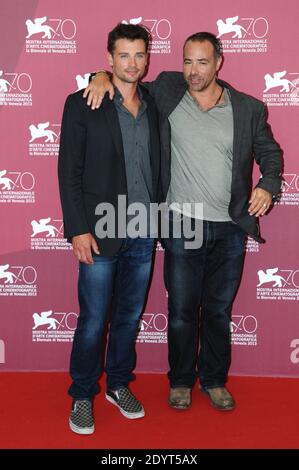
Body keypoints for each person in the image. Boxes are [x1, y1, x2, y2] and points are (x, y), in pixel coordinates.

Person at [84, 32, 282, 412]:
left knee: (219, 310)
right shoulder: (168, 90)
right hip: (181, 223)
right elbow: (125, 74)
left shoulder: (248, 108)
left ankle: (213, 379)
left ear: (219, 62)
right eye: (187, 61)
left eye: (202, 62)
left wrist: (268, 186)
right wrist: (99, 76)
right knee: (181, 311)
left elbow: (270, 155)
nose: (193, 71)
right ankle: (180, 381)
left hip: (229, 227)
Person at [58, 23, 161, 434]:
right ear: (108, 59)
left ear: (147, 58)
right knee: (94, 316)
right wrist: (77, 229)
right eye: (123, 55)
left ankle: (118, 384)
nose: (132, 63)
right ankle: (83, 393)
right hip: (99, 229)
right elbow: (69, 172)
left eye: (139, 55)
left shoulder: (158, 100)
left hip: (143, 227)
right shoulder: (83, 103)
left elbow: (199, 75)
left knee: (129, 315)